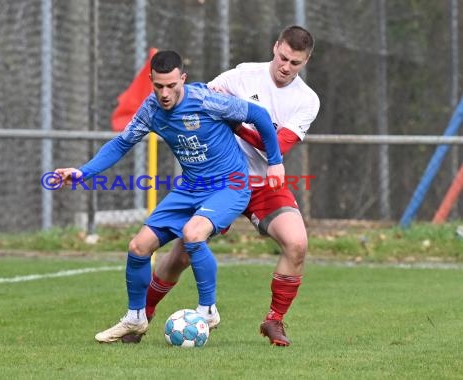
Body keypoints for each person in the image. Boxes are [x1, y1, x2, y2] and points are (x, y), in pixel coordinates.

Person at [52, 50, 285, 343]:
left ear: (182, 79)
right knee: (138, 246)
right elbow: (122, 144)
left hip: (230, 185)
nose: (165, 93)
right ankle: (136, 318)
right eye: (159, 86)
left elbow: (259, 115)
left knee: (192, 233)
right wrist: (82, 172)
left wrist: (275, 161)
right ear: (151, 81)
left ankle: (208, 310)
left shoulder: (206, 100)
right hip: (189, 188)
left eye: (171, 85)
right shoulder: (150, 110)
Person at [124, 25, 319, 346]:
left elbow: (276, 148)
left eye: (295, 63)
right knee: (181, 255)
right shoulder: (241, 76)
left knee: (297, 244)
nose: (286, 67)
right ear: (275, 48)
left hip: (263, 183)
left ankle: (274, 321)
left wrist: (235, 122)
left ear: (306, 61)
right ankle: (141, 316)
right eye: (283, 58)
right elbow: (199, 100)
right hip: (219, 181)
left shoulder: (307, 100)